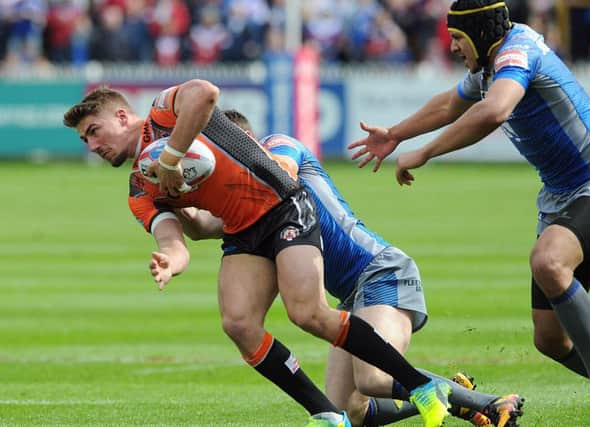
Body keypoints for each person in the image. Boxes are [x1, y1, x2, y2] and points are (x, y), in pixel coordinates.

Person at [63, 79, 452, 427]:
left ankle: (420, 386)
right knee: (238, 323)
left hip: (282, 204)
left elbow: (205, 93)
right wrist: (170, 263)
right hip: (242, 232)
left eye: (94, 132)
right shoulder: (139, 190)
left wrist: (170, 157)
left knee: (308, 313)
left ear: (121, 115)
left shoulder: (164, 112)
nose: (93, 146)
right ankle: (327, 415)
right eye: (85, 141)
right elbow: (179, 238)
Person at [178, 109, 524, 427]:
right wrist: (173, 197)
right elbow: (202, 228)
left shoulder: (279, 145)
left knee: (372, 379)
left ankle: (492, 403)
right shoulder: (246, 206)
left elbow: (281, 171)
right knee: (352, 412)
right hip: (351, 297)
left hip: (381, 271)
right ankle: (453, 395)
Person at [348, 0, 590, 388]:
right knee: (549, 338)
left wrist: (427, 151)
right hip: (561, 195)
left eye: (458, 38)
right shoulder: (488, 68)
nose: (453, 47)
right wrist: (395, 134)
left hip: (589, 182)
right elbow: (448, 103)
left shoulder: (518, 51)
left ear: (480, 34)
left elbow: (495, 110)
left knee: (548, 262)